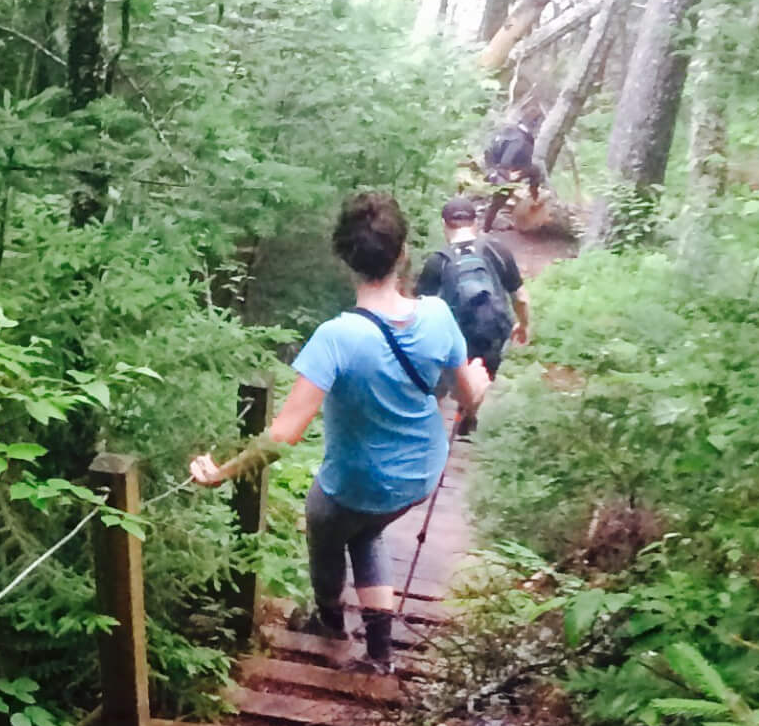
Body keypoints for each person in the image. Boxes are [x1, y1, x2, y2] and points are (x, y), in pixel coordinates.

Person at [189, 192, 490, 674]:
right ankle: (380, 654)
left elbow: (283, 435)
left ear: (344, 259)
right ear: (404, 251)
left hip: (354, 485)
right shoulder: (437, 316)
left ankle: (330, 621)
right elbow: (468, 396)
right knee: (367, 532)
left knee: (327, 521)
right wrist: (478, 380)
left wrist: (220, 474)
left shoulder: (336, 337)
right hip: (420, 475)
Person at [415, 196, 530, 397]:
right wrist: (523, 324)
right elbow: (520, 297)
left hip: (453, 342)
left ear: (444, 224)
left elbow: (420, 312)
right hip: (492, 334)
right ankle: (472, 415)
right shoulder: (497, 249)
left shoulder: (437, 261)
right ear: (475, 222)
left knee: (444, 391)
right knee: (483, 381)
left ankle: (450, 410)